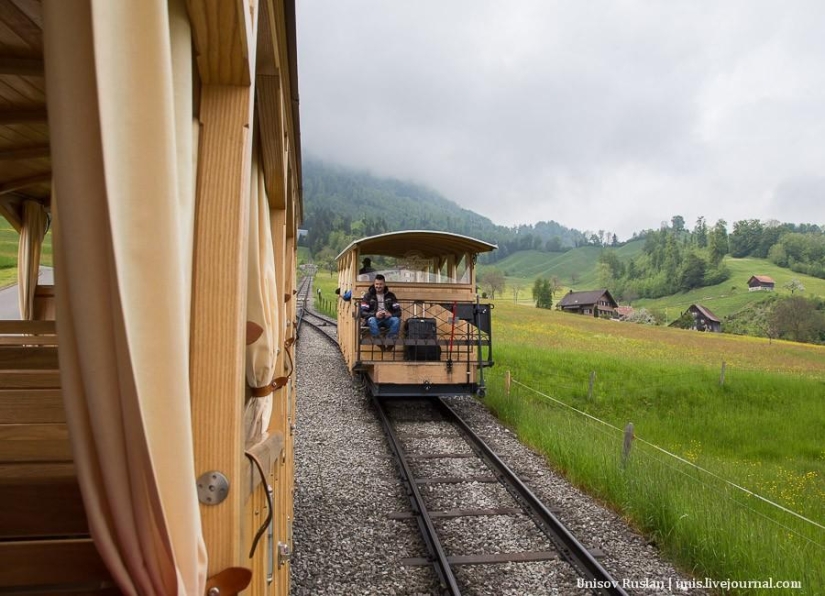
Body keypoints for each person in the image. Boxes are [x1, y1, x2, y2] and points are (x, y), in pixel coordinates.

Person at [360, 274, 401, 346]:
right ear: (374, 284)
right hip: (374, 319)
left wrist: (391, 314)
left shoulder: (391, 295)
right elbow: (362, 312)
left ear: (384, 284)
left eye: (380, 284)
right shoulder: (368, 296)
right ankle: (379, 342)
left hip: (388, 319)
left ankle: (389, 341)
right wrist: (375, 314)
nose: (378, 286)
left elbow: (399, 312)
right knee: (371, 319)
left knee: (396, 320)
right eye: (377, 284)